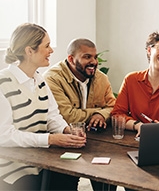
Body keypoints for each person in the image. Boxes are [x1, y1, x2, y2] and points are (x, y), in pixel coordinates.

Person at [0, 23, 86, 190]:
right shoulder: (3, 84)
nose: (51, 50)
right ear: (29, 51)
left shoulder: (40, 80)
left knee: (70, 176)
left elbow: (52, 116)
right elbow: (4, 135)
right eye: (47, 46)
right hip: (13, 170)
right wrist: (50, 139)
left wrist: (66, 131)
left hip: (42, 161)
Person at [43, 38, 117, 190]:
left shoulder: (101, 78)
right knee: (64, 184)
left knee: (108, 179)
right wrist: (97, 112)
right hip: (63, 142)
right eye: (87, 57)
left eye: (95, 57)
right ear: (71, 59)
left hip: (97, 142)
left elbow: (114, 107)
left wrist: (101, 116)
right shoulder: (53, 78)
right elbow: (67, 116)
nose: (94, 62)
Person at [111, 31, 159, 137]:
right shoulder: (131, 79)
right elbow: (117, 115)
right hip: (131, 139)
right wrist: (138, 125)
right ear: (149, 50)